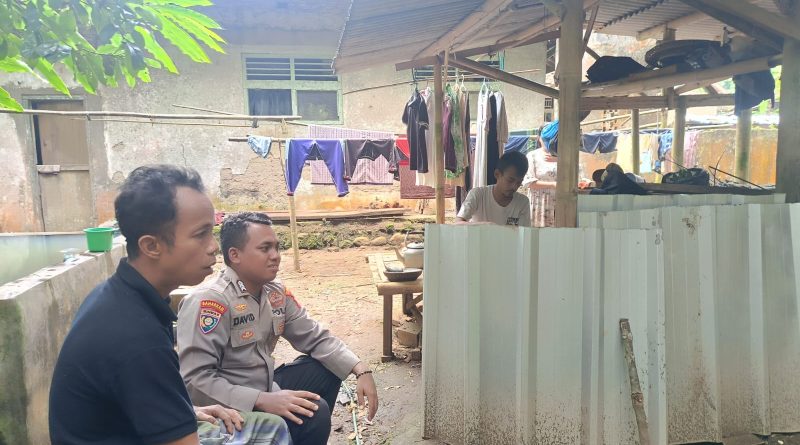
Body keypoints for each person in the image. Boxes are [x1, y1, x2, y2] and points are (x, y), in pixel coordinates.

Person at [49, 165, 290, 445]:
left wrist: (188, 411)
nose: (214, 246)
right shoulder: (136, 337)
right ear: (152, 246)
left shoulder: (122, 297)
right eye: (200, 235)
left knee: (272, 427)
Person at [177, 212, 379, 445]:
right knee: (315, 413)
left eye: (277, 247)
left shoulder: (275, 293)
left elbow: (314, 336)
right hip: (225, 406)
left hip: (265, 386)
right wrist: (261, 400)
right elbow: (195, 381)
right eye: (265, 249)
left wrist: (360, 369)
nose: (276, 256)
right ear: (235, 255)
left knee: (327, 369)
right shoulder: (211, 302)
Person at [456, 151, 531, 227]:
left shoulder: (522, 202)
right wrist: (486, 226)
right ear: (497, 174)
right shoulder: (478, 194)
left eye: (519, 182)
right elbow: (458, 224)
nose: (514, 187)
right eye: (510, 180)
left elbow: (524, 232)